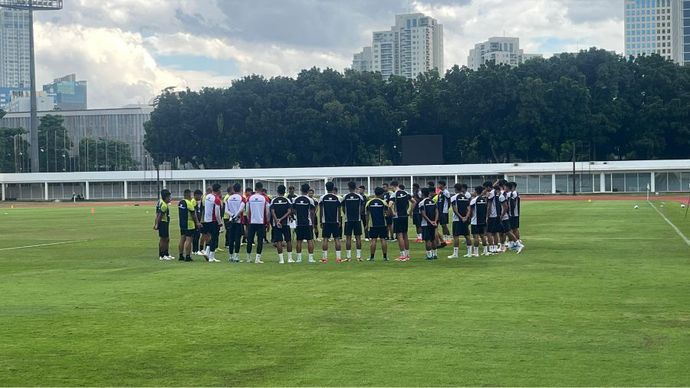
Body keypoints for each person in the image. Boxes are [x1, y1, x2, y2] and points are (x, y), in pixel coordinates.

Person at [246, 182, 269, 264]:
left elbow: (247, 211)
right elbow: (267, 212)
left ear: (255, 188)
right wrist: (267, 221)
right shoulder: (264, 198)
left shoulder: (250, 198)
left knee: (250, 240)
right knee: (260, 240)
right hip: (261, 222)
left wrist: (249, 220)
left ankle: (248, 258)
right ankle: (257, 258)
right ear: (261, 188)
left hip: (252, 221)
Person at [293, 184, 317, 263]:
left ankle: (299, 259)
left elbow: (293, 210)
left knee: (299, 240)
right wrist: (313, 223)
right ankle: (310, 258)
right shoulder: (310, 200)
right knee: (310, 240)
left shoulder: (296, 199)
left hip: (298, 223)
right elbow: (312, 212)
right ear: (308, 190)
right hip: (308, 223)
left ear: (301, 189)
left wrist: (296, 216)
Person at [320, 181, 343, 263]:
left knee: (325, 239)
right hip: (335, 221)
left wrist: (320, 221)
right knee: (337, 239)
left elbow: (321, 210)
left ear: (326, 188)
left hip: (326, 221)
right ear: (333, 188)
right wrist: (339, 220)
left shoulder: (323, 197)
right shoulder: (337, 198)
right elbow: (339, 210)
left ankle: (325, 258)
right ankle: (338, 258)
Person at [271, 185, 294, 264]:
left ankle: (281, 260)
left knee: (279, 241)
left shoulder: (274, 200)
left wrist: (277, 220)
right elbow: (289, 211)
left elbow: (272, 211)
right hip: (285, 223)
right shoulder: (287, 200)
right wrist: (281, 219)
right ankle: (290, 258)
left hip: (276, 224)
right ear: (284, 192)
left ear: (277, 191)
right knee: (288, 241)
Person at [448, 183, 472, 259]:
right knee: (467, 236)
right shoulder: (465, 197)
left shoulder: (454, 197)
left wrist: (461, 217)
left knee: (456, 236)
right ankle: (469, 253)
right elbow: (469, 209)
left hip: (457, 220)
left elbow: (455, 209)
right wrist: (466, 217)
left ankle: (455, 254)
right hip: (465, 219)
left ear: (455, 189)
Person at [342, 181, 364, 261]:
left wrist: (346, 214)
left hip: (348, 220)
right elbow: (362, 208)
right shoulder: (359, 196)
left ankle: (348, 257)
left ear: (348, 187)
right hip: (357, 219)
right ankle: (358, 257)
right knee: (358, 237)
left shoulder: (345, 196)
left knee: (348, 238)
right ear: (355, 187)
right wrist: (358, 214)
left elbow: (343, 208)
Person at [391, 182, 413, 261]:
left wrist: (393, 213)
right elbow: (414, 201)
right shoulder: (406, 193)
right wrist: (410, 212)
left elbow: (390, 205)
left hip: (398, 216)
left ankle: (402, 255)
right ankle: (407, 255)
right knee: (405, 235)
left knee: (399, 236)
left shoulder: (394, 194)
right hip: (404, 216)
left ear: (394, 187)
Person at [365, 187, 389, 261]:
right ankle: (385, 257)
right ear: (381, 194)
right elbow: (387, 214)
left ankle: (372, 257)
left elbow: (367, 215)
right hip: (382, 224)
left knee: (373, 240)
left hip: (373, 225)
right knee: (383, 239)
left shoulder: (369, 202)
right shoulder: (383, 202)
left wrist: (366, 224)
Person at [202, 184, 223, 263]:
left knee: (211, 237)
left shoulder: (207, 196)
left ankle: (207, 252)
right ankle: (211, 257)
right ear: (218, 190)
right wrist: (220, 222)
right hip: (214, 220)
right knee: (214, 238)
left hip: (207, 220)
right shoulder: (216, 199)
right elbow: (217, 213)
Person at [224, 183, 245, 263]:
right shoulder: (242, 198)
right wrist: (236, 216)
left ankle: (230, 256)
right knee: (237, 239)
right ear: (240, 189)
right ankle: (236, 256)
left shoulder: (228, 198)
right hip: (238, 221)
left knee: (231, 238)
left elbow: (226, 210)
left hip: (231, 220)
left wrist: (232, 216)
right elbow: (241, 209)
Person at [177, 189, 200, 262]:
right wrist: (197, 223)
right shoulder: (189, 203)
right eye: (190, 195)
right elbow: (193, 214)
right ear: (188, 195)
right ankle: (187, 256)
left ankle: (181, 255)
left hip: (182, 223)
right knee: (188, 240)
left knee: (182, 239)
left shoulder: (180, 202)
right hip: (189, 224)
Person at [419, 187, 439, 260]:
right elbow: (437, 211)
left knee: (427, 240)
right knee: (433, 239)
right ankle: (435, 254)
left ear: (423, 194)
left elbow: (423, 214)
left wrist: (430, 221)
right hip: (434, 223)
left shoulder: (422, 203)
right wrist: (435, 221)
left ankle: (429, 255)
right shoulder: (433, 201)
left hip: (426, 224)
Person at [470, 186, 490, 257]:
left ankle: (476, 253)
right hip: (482, 220)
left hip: (475, 221)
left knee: (476, 237)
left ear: (476, 191)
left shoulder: (474, 200)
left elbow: (471, 211)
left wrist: (469, 217)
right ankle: (485, 251)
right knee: (482, 236)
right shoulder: (484, 200)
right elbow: (486, 209)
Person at [154, 189, 173, 261]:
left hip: (164, 222)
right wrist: (156, 224)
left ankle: (166, 253)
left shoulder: (160, 202)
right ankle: (162, 255)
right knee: (163, 239)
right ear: (166, 197)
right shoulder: (164, 205)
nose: (170, 199)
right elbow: (159, 215)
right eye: (169, 197)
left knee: (166, 239)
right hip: (163, 223)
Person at [192, 189, 204, 255]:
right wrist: (197, 221)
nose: (200, 197)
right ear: (196, 195)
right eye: (200, 196)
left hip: (197, 220)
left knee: (197, 235)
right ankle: (195, 250)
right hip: (195, 221)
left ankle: (195, 250)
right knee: (196, 235)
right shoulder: (193, 201)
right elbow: (194, 212)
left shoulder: (197, 202)